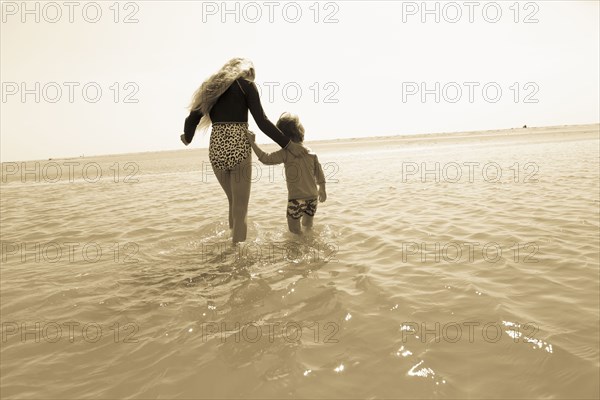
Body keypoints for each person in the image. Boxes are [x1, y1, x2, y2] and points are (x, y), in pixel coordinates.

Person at [180, 58, 306, 243]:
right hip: (238, 145)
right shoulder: (246, 86)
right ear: (246, 71)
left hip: (217, 148)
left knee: (233, 203)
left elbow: (192, 118)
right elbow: (262, 121)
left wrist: (188, 137)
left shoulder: (212, 87)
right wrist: (288, 144)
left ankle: (231, 242)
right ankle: (236, 257)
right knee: (241, 209)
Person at [246, 112, 327, 234]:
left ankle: (298, 249)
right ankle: (310, 244)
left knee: (294, 230)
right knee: (308, 226)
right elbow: (319, 173)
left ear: (281, 135)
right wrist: (322, 189)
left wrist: (252, 143)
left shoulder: (286, 153)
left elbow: (265, 158)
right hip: (312, 198)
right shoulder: (311, 153)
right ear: (300, 130)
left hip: (296, 199)